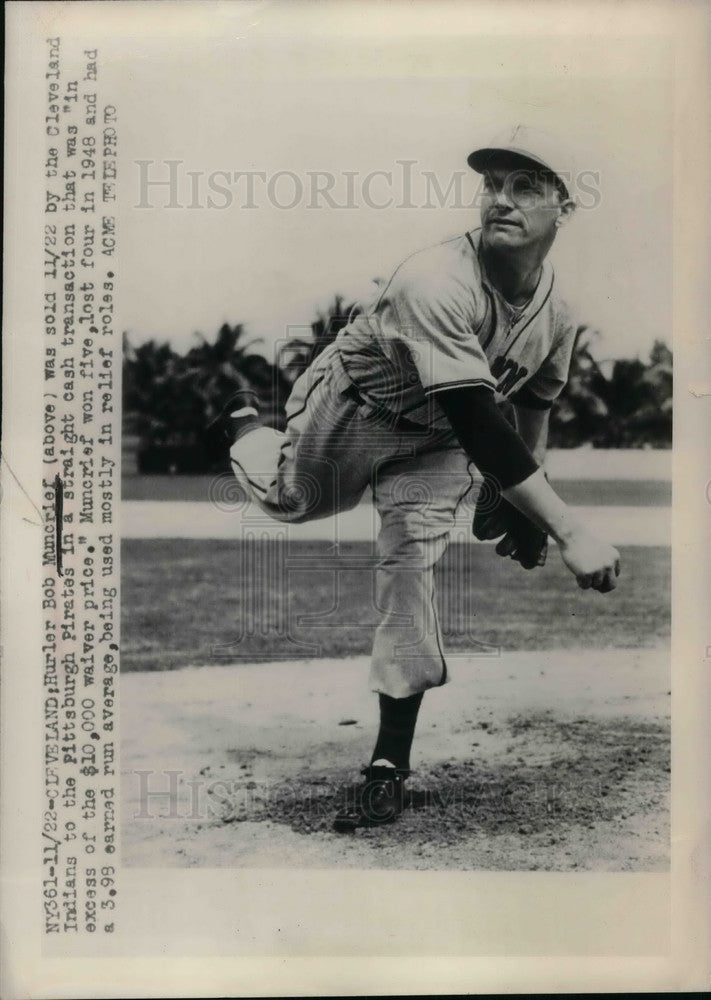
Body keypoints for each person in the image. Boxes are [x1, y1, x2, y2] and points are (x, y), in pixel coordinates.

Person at [206, 125, 621, 832]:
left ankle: (386, 763)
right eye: (492, 183)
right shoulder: (433, 278)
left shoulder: (556, 313)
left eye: (525, 186)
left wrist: (522, 504)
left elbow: (529, 409)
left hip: (435, 446)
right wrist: (568, 526)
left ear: (565, 205)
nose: (501, 198)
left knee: (410, 570)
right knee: (286, 501)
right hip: (354, 409)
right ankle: (243, 425)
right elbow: (480, 421)